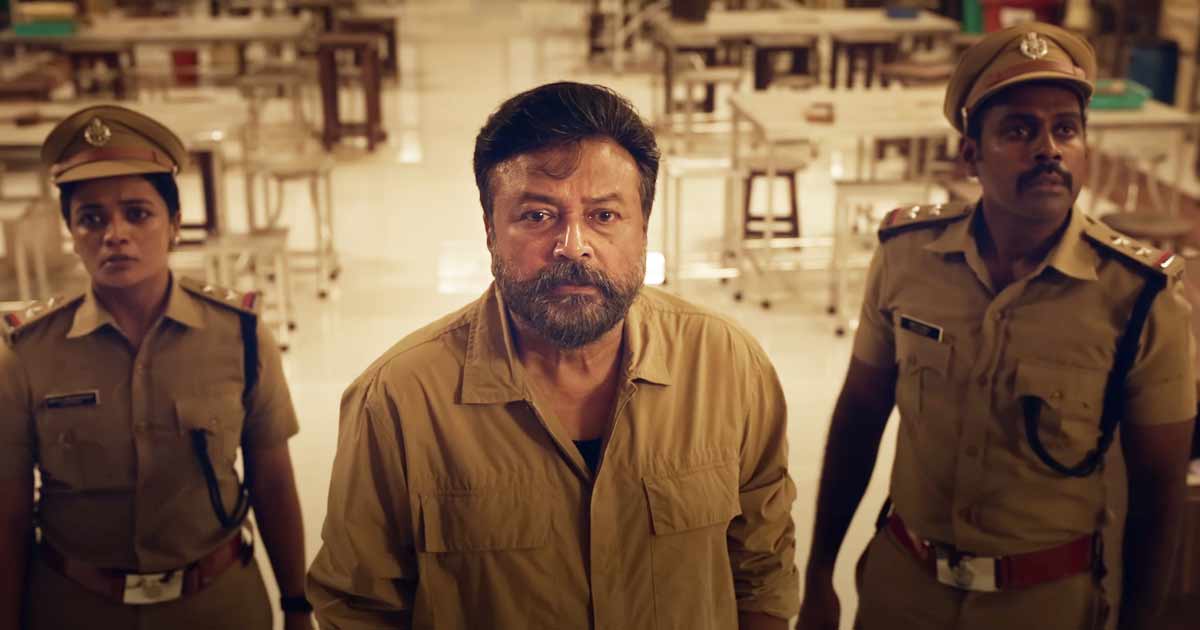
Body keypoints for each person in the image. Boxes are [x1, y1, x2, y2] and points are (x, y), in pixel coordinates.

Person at [306, 81, 799, 629]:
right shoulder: (399, 401)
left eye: (604, 216)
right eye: (538, 216)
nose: (573, 246)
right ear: (490, 232)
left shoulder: (727, 365)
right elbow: (358, 609)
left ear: (643, 229)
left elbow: (763, 569)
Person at [796, 22, 1196, 630]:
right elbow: (859, 416)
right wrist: (819, 574)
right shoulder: (908, 258)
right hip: (903, 588)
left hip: (1044, 605)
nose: (1049, 149)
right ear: (970, 154)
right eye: (1019, 130)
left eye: (1066, 129)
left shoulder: (1139, 298)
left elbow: (1159, 492)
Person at [0, 105, 313, 629]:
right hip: (74, 608)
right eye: (91, 218)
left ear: (174, 225)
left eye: (137, 213)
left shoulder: (238, 335)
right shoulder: (28, 353)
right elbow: (7, 511)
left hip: (217, 606)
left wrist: (296, 603)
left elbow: (273, 480)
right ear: (71, 232)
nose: (115, 234)